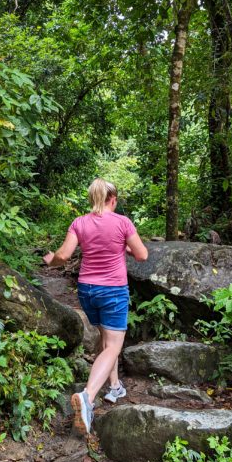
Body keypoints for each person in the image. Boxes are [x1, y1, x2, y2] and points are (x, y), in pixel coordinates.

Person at [43, 178, 148, 435]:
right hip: (113, 290)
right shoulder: (122, 222)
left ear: (92, 199)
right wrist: (124, 246)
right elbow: (142, 255)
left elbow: (63, 256)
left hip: (87, 290)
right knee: (114, 345)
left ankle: (114, 385)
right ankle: (88, 398)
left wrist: (50, 260)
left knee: (105, 335)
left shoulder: (79, 222)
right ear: (114, 199)